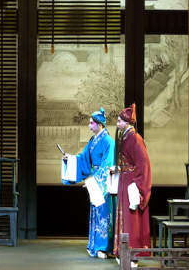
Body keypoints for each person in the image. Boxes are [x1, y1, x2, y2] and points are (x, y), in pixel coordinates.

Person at [62, 107, 115, 259]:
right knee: (96, 213)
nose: (89, 125)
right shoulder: (93, 141)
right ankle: (96, 245)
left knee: (104, 213)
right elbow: (83, 158)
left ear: (99, 124)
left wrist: (96, 181)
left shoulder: (108, 141)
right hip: (95, 179)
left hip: (104, 182)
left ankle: (104, 247)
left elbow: (107, 164)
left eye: (91, 123)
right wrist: (70, 158)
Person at [112, 103, 152, 267]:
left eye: (119, 121)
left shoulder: (135, 138)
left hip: (132, 183)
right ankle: (122, 252)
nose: (117, 124)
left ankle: (133, 255)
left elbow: (144, 165)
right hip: (124, 180)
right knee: (124, 217)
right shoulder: (125, 137)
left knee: (131, 219)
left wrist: (138, 186)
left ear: (127, 122)